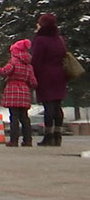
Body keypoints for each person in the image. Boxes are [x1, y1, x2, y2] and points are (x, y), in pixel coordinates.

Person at [0, 39, 39, 147]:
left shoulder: (14, 62)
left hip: (13, 91)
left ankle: (14, 140)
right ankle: (28, 140)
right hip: (25, 92)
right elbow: (33, 82)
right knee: (24, 117)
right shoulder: (29, 66)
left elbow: (5, 71)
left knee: (14, 117)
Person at [31, 13, 67, 146]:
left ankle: (48, 136)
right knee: (57, 106)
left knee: (49, 107)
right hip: (60, 75)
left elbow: (36, 60)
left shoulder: (40, 40)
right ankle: (58, 136)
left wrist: (33, 76)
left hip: (45, 76)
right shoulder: (59, 39)